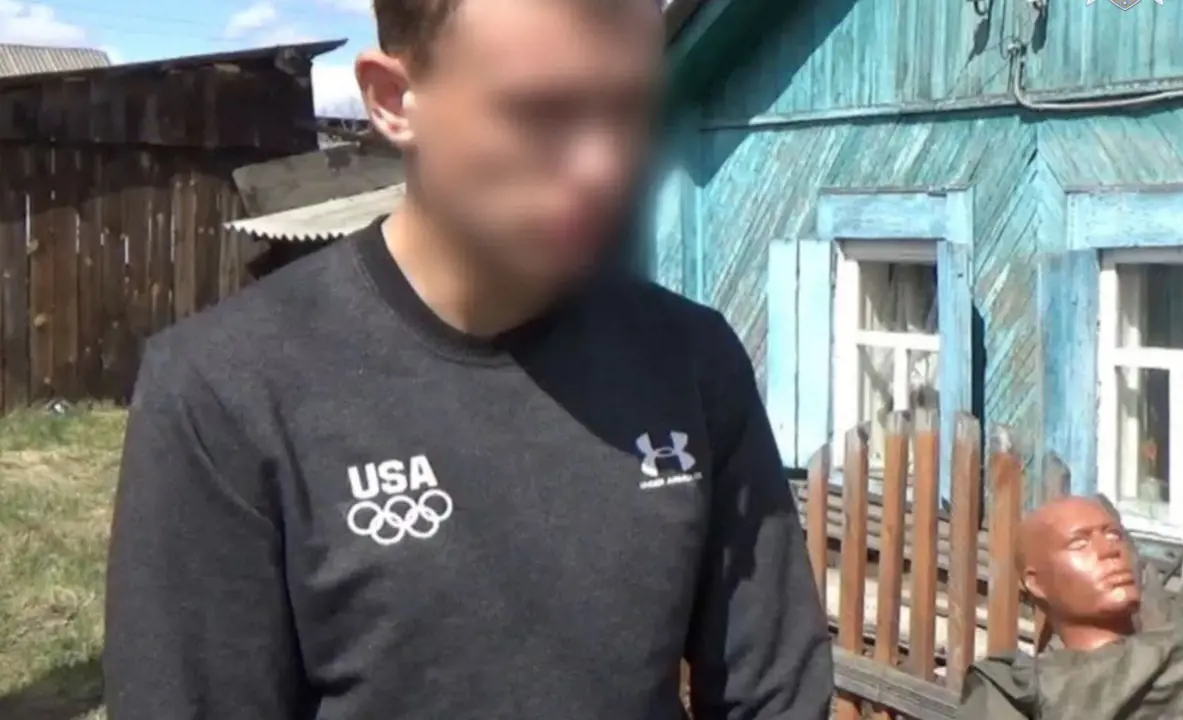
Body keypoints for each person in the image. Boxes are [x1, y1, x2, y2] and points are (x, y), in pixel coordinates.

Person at [101, 0, 833, 718]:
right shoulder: (225, 392)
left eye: (630, 108)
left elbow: (777, 697)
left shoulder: (692, 362)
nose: (602, 165)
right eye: (542, 112)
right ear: (393, 100)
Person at [957, 496, 1183, 719]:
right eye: (1079, 543)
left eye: (1114, 535)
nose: (1110, 550)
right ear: (1036, 583)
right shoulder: (1011, 691)